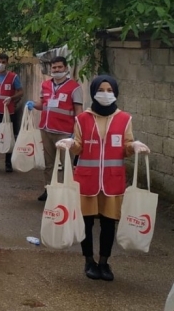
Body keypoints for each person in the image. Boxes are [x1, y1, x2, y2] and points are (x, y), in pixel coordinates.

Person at [56, 75, 150, 282]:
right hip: (87, 180)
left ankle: (104, 262)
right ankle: (89, 261)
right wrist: (70, 144)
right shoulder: (82, 119)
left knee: (109, 223)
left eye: (109, 90)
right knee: (86, 222)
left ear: (115, 92)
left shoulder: (125, 118)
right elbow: (79, 146)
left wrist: (134, 146)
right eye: (101, 90)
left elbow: (126, 146)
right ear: (93, 92)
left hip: (112, 180)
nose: (105, 94)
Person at [26, 56, 83, 201]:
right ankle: (48, 190)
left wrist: (77, 132)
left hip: (65, 133)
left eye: (59, 67)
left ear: (66, 68)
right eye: (54, 67)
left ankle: (66, 193)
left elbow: (79, 110)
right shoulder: (45, 85)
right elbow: (42, 104)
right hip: (46, 130)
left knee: (66, 164)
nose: (57, 70)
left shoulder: (74, 87)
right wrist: (33, 104)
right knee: (49, 164)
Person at [0, 53, 24, 172]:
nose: (0, 64)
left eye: (3, 62)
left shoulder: (13, 77)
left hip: (7, 112)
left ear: (7, 63)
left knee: (8, 136)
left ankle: (8, 163)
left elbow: (21, 92)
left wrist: (12, 98)